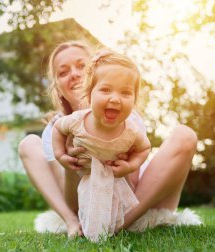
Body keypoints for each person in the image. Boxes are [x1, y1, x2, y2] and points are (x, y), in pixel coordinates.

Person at [18, 40, 198, 238]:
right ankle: (71, 221)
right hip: (85, 202)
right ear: (58, 88)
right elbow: (72, 201)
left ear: (93, 75)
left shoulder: (127, 119)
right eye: (63, 72)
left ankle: (123, 224)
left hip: (137, 201)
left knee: (185, 135)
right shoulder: (57, 130)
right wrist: (70, 166)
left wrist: (123, 165)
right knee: (28, 144)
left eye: (81, 66)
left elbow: (130, 188)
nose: (74, 74)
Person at [52, 50, 151, 241]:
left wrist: (130, 165)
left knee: (114, 204)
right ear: (89, 95)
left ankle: (116, 226)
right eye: (106, 90)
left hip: (115, 177)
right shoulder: (77, 121)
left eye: (125, 92)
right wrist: (60, 154)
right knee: (90, 203)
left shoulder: (131, 130)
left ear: (135, 100)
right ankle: (87, 226)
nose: (115, 98)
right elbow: (58, 128)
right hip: (86, 174)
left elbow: (144, 148)